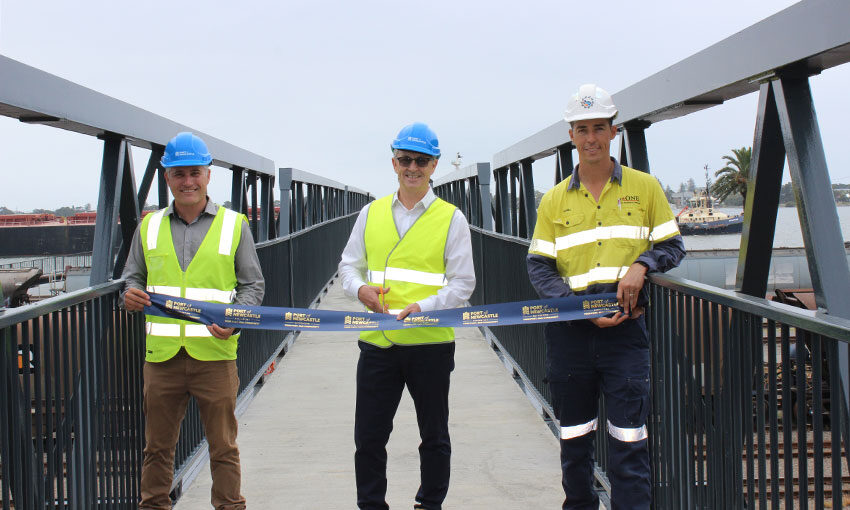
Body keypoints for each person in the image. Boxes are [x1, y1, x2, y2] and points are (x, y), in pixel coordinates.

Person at [526, 84, 685, 510]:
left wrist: (642, 266)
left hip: (626, 337)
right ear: (572, 135)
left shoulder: (645, 188)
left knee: (629, 445)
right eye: (582, 129)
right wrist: (578, 310)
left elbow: (673, 246)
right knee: (575, 445)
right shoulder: (554, 200)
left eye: (599, 127)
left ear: (614, 132)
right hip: (571, 338)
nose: (591, 137)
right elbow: (539, 265)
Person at [122, 132, 265, 510]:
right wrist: (130, 295)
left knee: (223, 448)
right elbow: (132, 278)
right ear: (167, 177)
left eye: (195, 173)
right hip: (163, 358)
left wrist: (234, 321)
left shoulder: (235, 225)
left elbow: (252, 287)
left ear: (208, 175)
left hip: (215, 354)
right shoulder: (148, 226)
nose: (188, 181)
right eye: (179, 173)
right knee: (157, 450)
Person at [338, 122, 475, 510]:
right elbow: (349, 267)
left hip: (429, 343)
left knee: (433, 436)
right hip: (378, 343)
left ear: (434, 165)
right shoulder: (371, 213)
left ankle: (429, 504)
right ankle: (371, 505)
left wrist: (426, 307)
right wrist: (359, 290)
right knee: (368, 437)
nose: (412, 167)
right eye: (404, 160)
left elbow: (463, 283)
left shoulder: (452, 218)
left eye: (420, 161)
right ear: (394, 162)